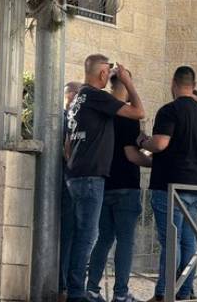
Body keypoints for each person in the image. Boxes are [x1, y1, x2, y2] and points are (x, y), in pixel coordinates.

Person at [64, 54, 145, 302]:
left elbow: (67, 146)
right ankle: (78, 294)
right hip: (94, 179)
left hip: (77, 176)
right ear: (102, 74)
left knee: (86, 236)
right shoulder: (97, 96)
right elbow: (139, 112)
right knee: (90, 237)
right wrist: (128, 81)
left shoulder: (78, 99)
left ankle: (82, 290)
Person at [138, 66, 197, 301]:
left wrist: (143, 141)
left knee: (171, 243)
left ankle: (163, 294)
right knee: (188, 243)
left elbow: (160, 144)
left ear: (173, 82)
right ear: (193, 84)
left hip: (169, 186)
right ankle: (183, 292)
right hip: (196, 188)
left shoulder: (169, 110)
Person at [86, 72, 152, 302]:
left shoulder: (101, 110)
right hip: (126, 185)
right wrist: (155, 163)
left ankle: (91, 289)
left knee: (103, 239)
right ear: (125, 84)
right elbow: (131, 155)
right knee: (125, 241)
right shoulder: (127, 114)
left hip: (103, 183)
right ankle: (121, 293)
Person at [59, 81, 82, 302]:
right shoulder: (65, 118)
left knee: (73, 235)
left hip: (69, 182)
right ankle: (63, 284)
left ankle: (66, 283)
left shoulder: (70, 117)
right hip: (68, 183)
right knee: (68, 235)